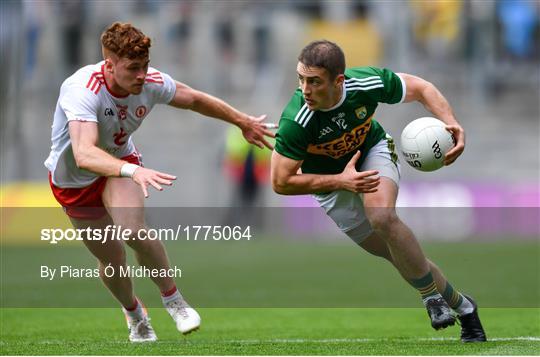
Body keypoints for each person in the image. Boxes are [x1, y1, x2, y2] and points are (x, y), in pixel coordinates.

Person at [44, 22, 274, 343]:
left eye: (146, 66)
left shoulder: (150, 82)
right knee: (111, 260)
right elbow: (84, 154)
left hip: (119, 164)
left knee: (133, 231)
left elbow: (193, 99)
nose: (142, 75)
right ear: (109, 65)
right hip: (74, 181)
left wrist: (241, 121)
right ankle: (135, 314)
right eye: (133, 68)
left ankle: (174, 300)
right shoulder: (82, 89)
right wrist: (134, 172)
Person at [271, 40, 486, 342]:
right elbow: (280, 182)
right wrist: (341, 182)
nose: (305, 89)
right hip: (329, 184)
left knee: (382, 218)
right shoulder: (297, 119)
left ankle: (429, 298)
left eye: (314, 81)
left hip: (371, 151)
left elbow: (421, 88)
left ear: (338, 80)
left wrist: (451, 123)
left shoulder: (366, 83)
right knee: (398, 255)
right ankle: (464, 307)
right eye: (301, 79)